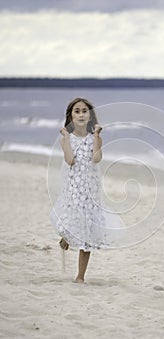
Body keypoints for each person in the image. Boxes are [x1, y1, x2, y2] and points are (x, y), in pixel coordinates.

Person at [50, 97, 113, 283]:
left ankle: (80, 276)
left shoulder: (96, 138)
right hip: (73, 189)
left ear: (90, 115)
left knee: (87, 233)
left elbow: (97, 158)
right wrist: (67, 137)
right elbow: (70, 160)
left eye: (84, 111)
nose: (81, 114)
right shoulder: (65, 140)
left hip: (90, 192)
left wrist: (95, 136)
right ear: (70, 116)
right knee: (69, 223)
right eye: (76, 111)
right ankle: (66, 238)